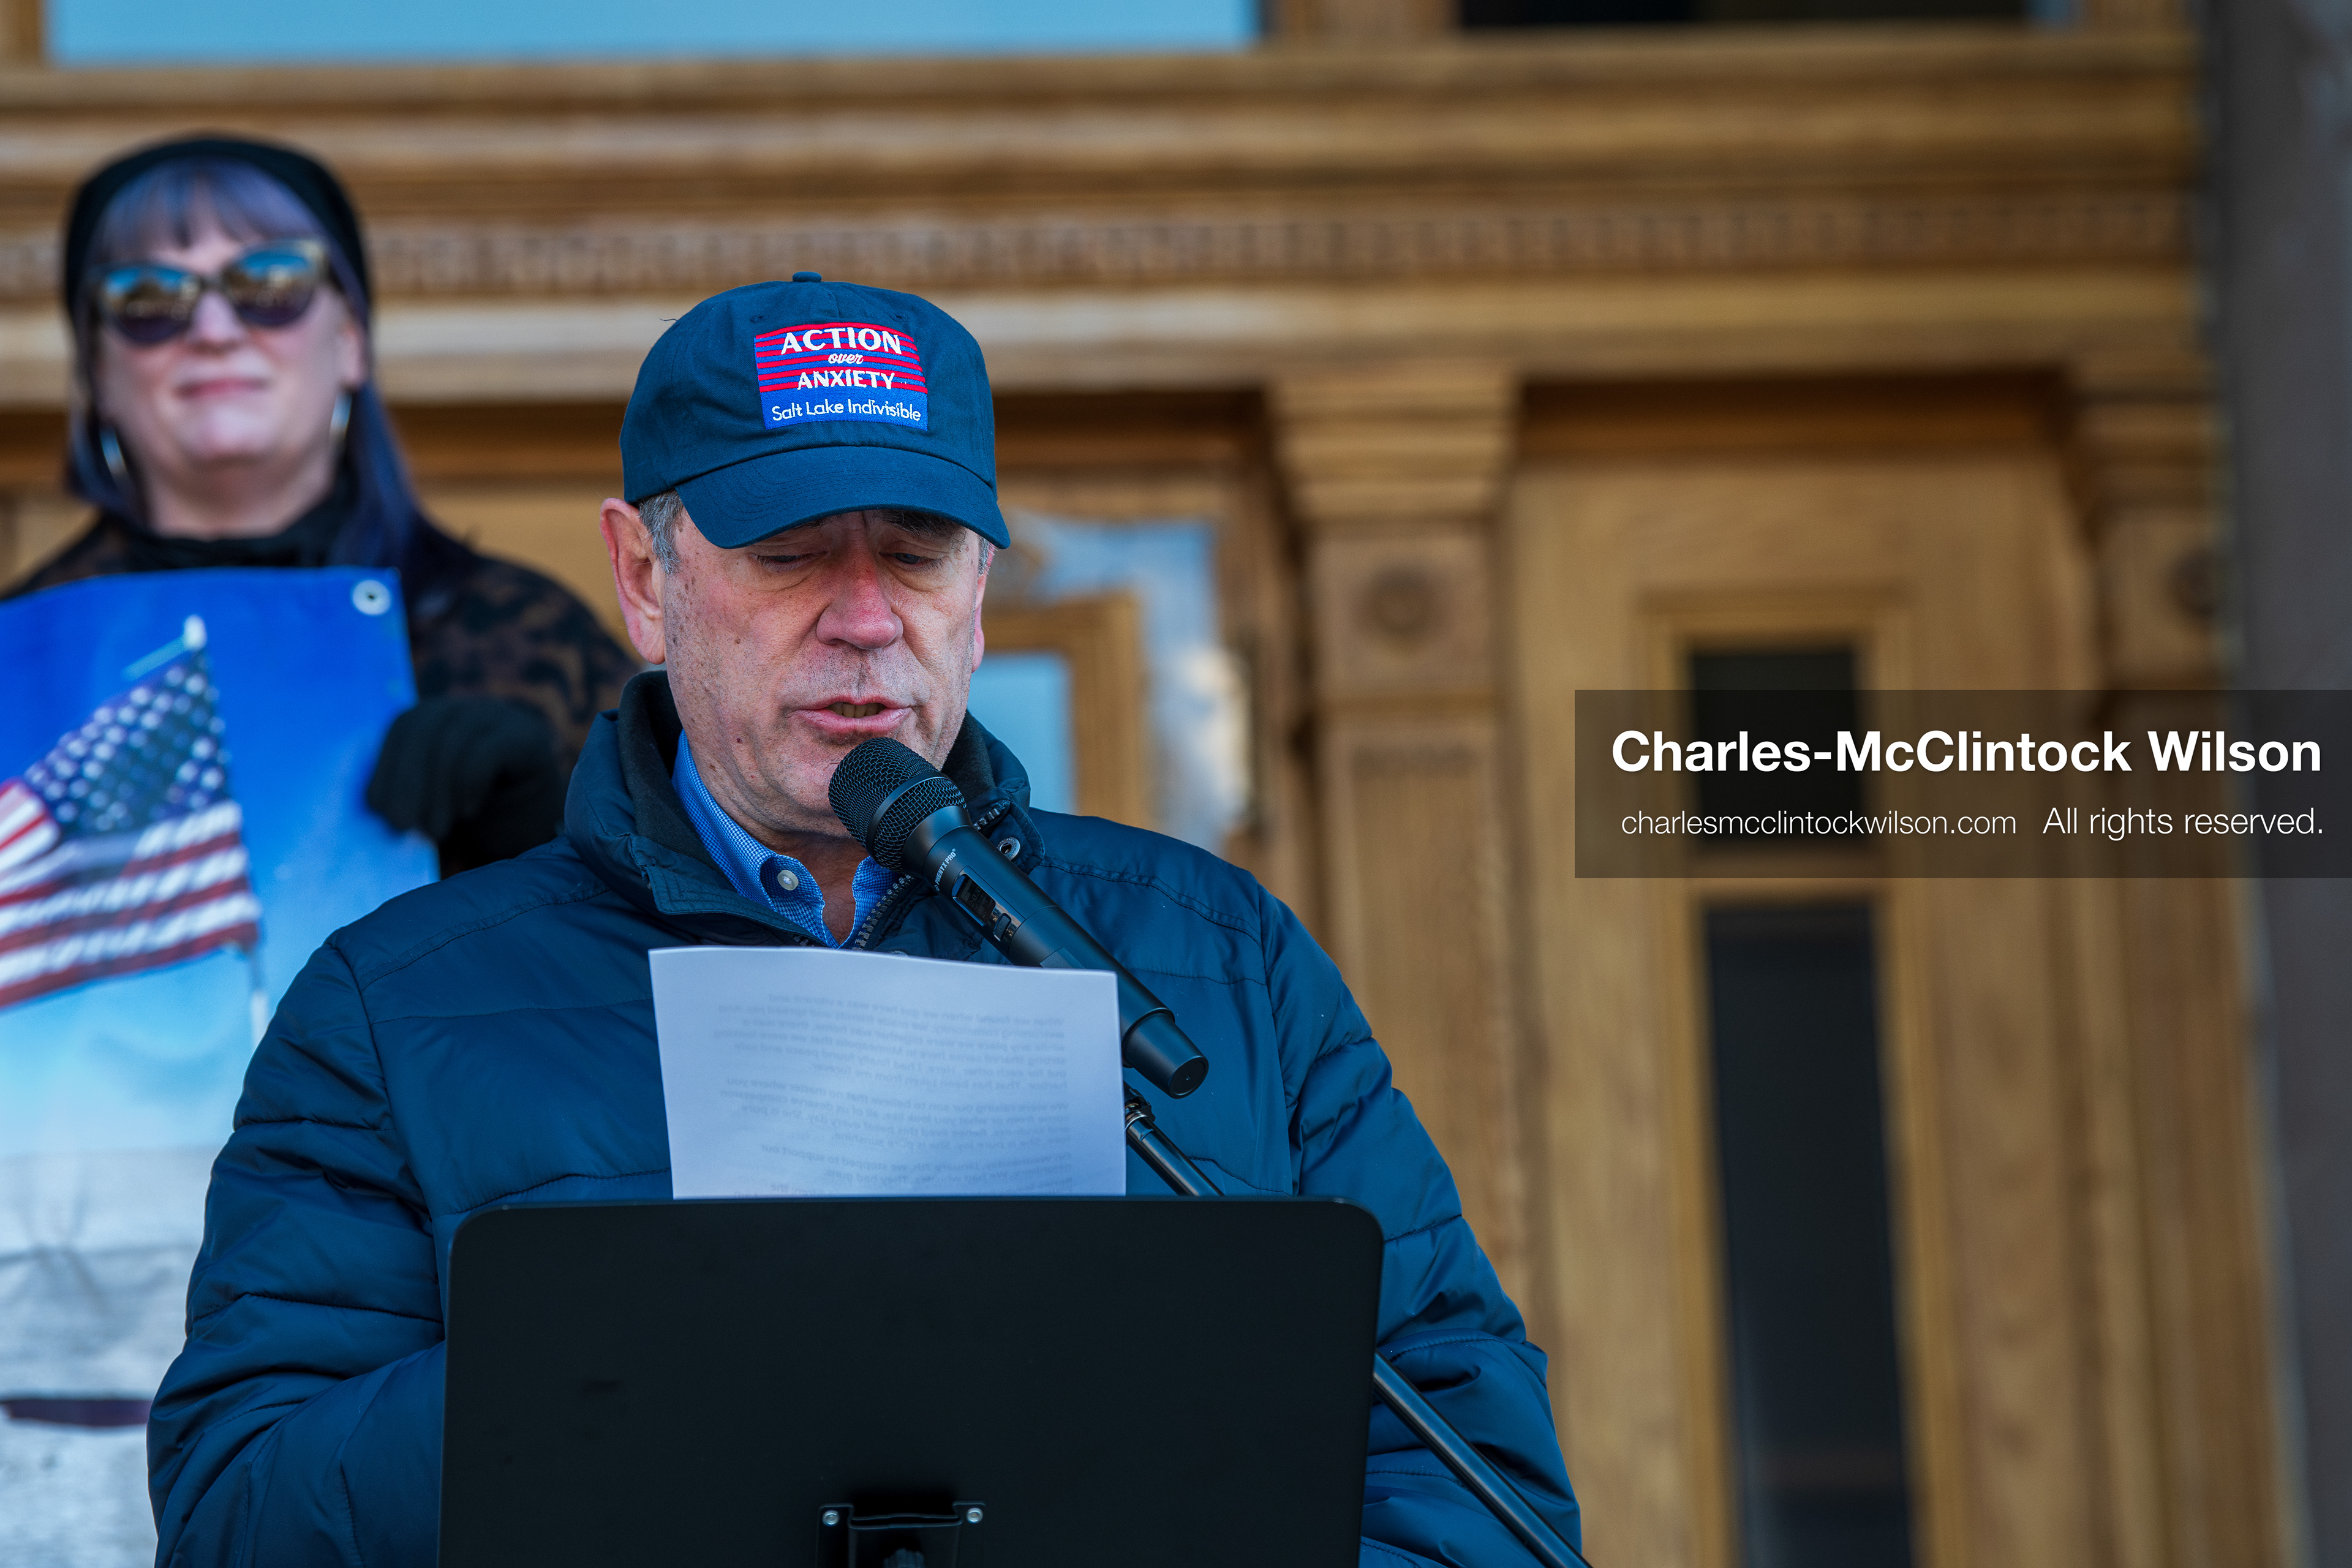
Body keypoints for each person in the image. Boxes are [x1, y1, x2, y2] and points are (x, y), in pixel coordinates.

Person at [144, 275, 1583, 1566]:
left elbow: (1471, 1482)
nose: (861, 616)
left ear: (977, 589)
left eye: (914, 552)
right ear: (647, 578)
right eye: (787, 555)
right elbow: (236, 1511)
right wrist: (624, 1334)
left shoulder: (1220, 955)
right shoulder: (393, 1008)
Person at [12, 135, 636, 874]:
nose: (214, 332)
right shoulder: (17, 657)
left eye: (271, 285)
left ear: (350, 342)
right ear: (97, 370)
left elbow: (693, 943)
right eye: (149, 300)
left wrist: (546, 840)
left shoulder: (534, 640)